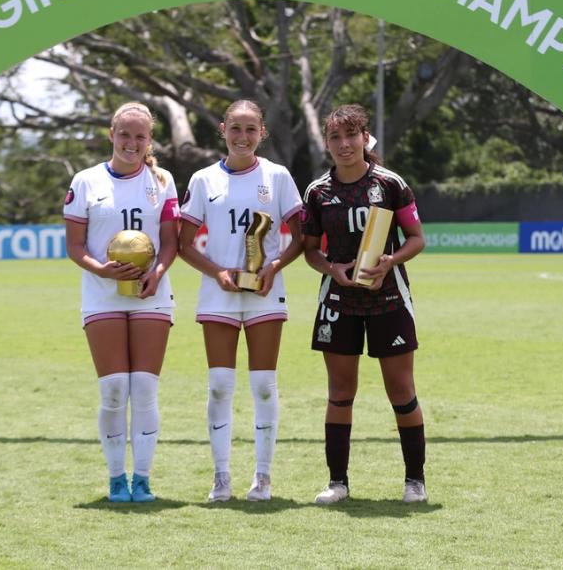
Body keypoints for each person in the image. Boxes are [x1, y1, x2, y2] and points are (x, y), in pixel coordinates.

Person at [301, 103, 428, 504]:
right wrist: (333, 269)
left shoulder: (390, 184)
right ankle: (338, 483)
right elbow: (309, 251)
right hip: (338, 300)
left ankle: (415, 482)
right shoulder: (317, 191)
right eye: (335, 137)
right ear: (327, 143)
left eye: (350, 135)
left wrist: (390, 261)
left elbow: (416, 239)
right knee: (340, 392)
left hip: (388, 298)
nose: (344, 144)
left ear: (364, 137)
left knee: (401, 389)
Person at [178, 100, 304, 502]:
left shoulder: (278, 176)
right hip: (219, 292)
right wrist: (217, 272)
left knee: (264, 385)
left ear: (262, 133)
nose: (243, 137)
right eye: (236, 128)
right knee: (219, 385)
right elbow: (183, 244)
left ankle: (263, 477)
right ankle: (221, 477)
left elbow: (300, 237)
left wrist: (273, 266)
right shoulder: (202, 180)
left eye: (251, 129)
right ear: (222, 129)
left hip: (266, 291)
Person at [63, 102, 180, 503]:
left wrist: (158, 273)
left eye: (140, 136)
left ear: (149, 140)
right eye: (125, 134)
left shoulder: (163, 181)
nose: (132, 143)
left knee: (144, 389)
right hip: (102, 295)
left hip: (151, 296)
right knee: (113, 389)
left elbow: (170, 243)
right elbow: (75, 248)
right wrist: (102, 270)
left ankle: (142, 479)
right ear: (111, 134)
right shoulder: (85, 182)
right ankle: (116, 478)